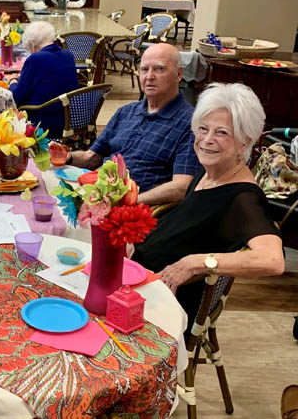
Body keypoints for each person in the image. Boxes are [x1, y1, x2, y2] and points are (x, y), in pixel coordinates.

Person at [132, 83, 285, 329]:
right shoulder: (210, 172)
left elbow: (272, 260)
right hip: (140, 279)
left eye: (222, 133)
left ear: (245, 142)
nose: (207, 140)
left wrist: (197, 262)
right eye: (202, 129)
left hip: (164, 305)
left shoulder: (242, 198)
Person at [65, 43, 201, 205]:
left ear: (179, 74)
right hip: (99, 197)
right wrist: (68, 157)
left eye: (159, 69)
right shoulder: (125, 112)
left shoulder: (190, 123)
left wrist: (130, 201)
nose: (149, 76)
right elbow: (91, 158)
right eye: (144, 69)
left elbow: (182, 186)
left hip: (138, 213)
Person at [8, 21, 79, 139]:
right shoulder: (68, 55)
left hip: (43, 121)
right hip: (69, 118)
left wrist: (12, 81)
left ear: (32, 44)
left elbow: (17, 97)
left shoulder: (35, 59)